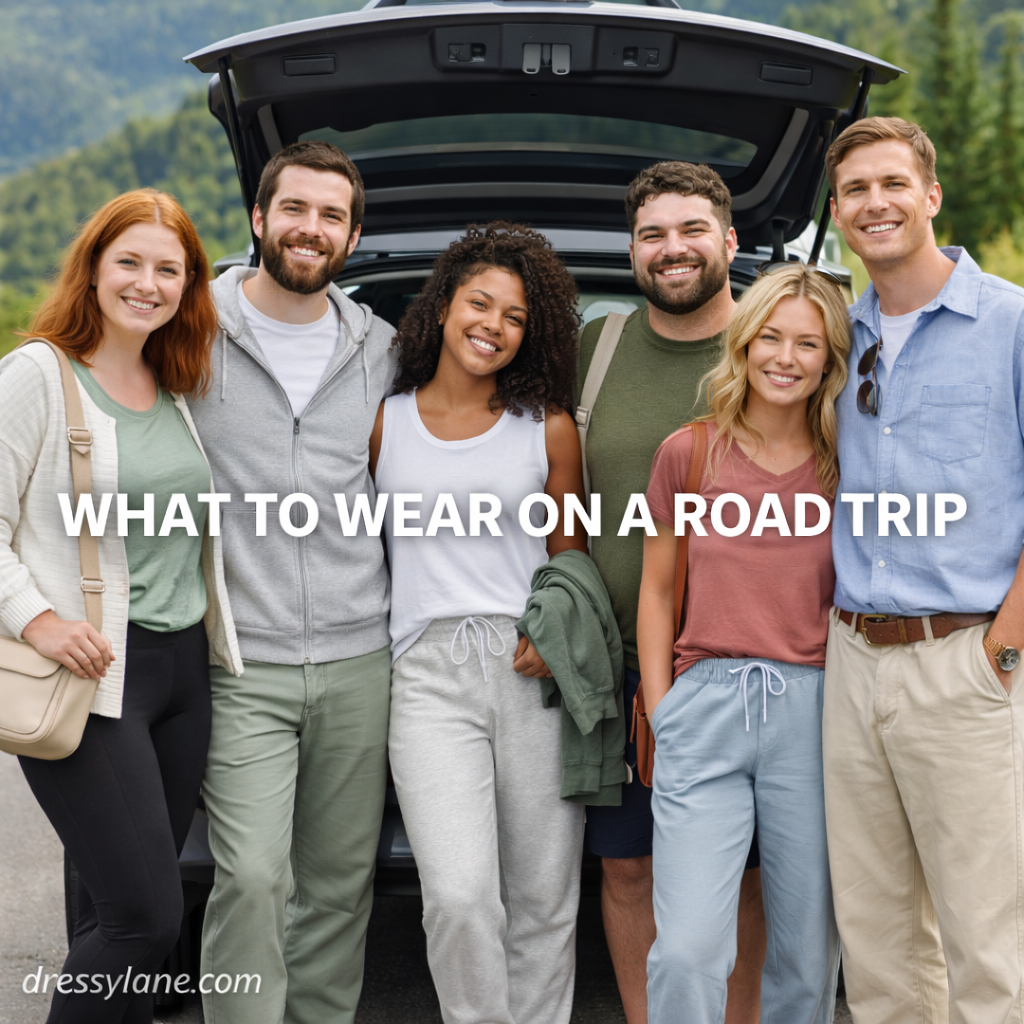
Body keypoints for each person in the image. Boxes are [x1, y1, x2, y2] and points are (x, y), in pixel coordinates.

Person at [0, 188, 241, 1023]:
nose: (148, 283)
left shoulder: (173, 385)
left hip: (181, 676)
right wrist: (39, 620)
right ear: (94, 268)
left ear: (189, 285)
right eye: (129, 262)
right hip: (93, 673)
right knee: (147, 920)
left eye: (168, 269)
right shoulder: (38, 374)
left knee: (109, 914)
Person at [186, 141, 396, 1024]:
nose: (312, 229)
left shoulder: (380, 346)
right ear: (261, 218)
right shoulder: (188, 328)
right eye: (296, 210)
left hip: (360, 658)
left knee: (340, 886)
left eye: (331, 216)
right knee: (251, 875)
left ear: (352, 234)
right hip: (243, 660)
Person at [823, 116, 1024, 1024]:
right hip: (852, 659)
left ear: (931, 195)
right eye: (857, 190)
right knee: (880, 943)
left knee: (988, 942)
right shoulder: (833, 332)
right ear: (836, 213)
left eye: (893, 184)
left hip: (967, 660)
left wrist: (1003, 651)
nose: (877, 203)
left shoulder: (1012, 324)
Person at [369, 223, 589, 1024]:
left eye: (516, 317)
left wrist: (550, 633)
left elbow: (571, 561)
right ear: (443, 306)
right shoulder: (385, 423)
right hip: (425, 672)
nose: (492, 326)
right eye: (479, 304)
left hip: (530, 668)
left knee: (542, 899)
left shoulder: (548, 428)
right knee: (459, 895)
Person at [577, 160, 766, 1024]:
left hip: (752, 666)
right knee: (628, 867)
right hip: (617, 667)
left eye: (693, 230)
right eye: (653, 234)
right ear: (632, 250)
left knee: (744, 873)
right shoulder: (595, 347)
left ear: (729, 240)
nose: (673, 248)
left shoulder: (774, 345)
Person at [637, 262, 850, 1022]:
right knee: (689, 949)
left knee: (806, 951)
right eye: (770, 337)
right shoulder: (687, 453)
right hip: (707, 707)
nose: (786, 358)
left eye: (808, 343)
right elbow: (657, 590)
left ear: (830, 358)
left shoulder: (846, 464)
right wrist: (664, 709)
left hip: (817, 713)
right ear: (744, 342)